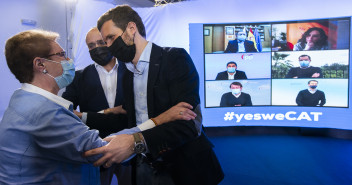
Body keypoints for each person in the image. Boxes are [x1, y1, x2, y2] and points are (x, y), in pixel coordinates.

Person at [0, 29, 197, 184]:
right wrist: (160, 119)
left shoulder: (23, 99)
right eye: (61, 55)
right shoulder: (43, 113)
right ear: (40, 65)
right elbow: (104, 150)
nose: (68, 60)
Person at [84, 5, 224, 185]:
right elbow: (131, 120)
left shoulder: (175, 58)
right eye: (106, 41)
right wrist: (82, 119)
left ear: (131, 28)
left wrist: (135, 142)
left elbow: (189, 124)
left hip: (185, 167)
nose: (109, 47)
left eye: (110, 38)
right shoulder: (127, 74)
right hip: (146, 168)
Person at [62, 27, 129, 185]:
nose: (96, 48)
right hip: (96, 150)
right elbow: (66, 111)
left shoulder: (132, 71)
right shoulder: (78, 77)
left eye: (101, 42)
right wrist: (110, 111)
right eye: (91, 46)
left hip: (129, 148)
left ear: (110, 42)